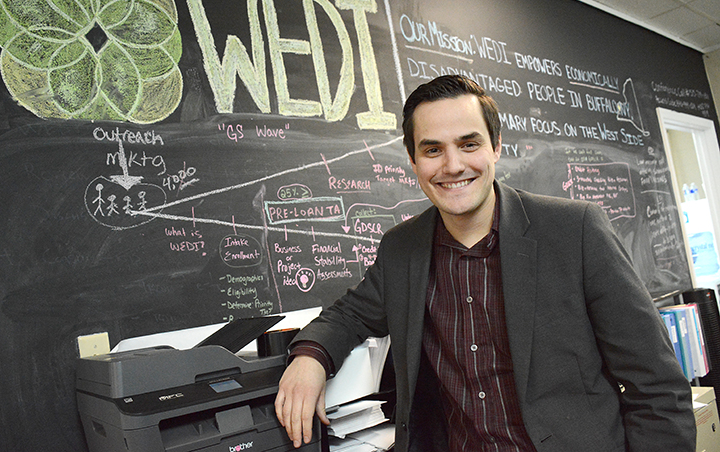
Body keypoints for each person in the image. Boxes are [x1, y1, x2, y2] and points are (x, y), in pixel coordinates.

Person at [275, 75, 696, 451]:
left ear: (496, 147)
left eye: (469, 144)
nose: (453, 165)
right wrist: (309, 357)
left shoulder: (575, 230)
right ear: (413, 161)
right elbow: (349, 314)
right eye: (433, 149)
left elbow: (656, 387)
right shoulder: (401, 249)